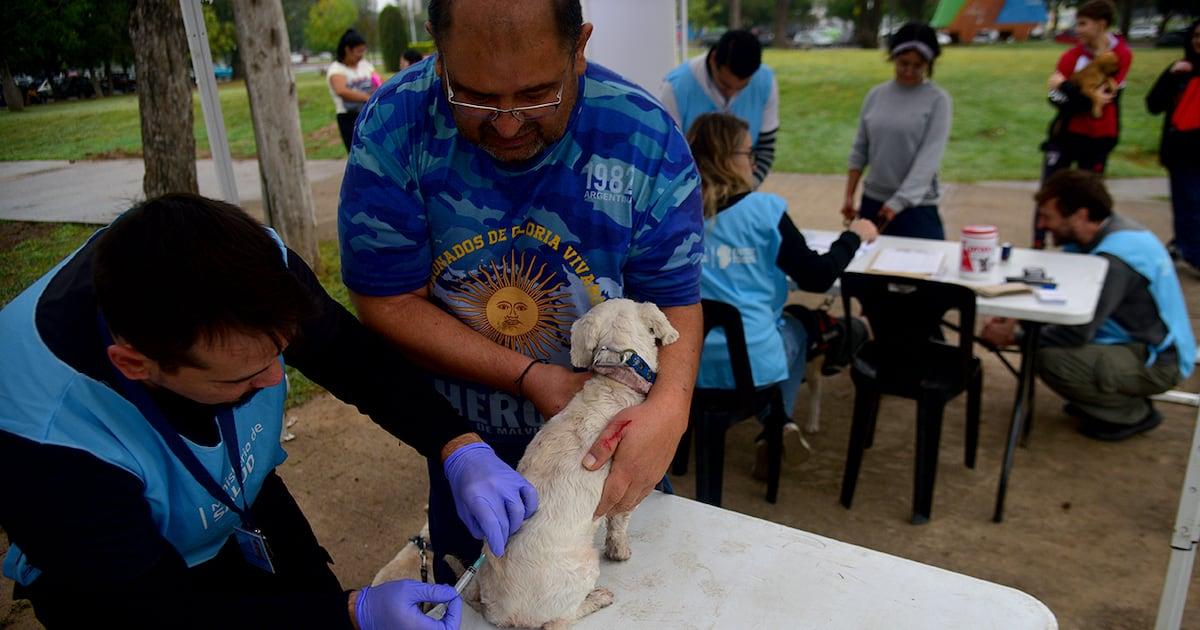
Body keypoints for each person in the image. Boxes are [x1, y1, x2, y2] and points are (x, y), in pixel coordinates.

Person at [0, 194, 539, 629]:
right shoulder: (42, 439)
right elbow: (156, 611)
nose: (276, 381)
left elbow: (349, 358)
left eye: (280, 352)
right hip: (114, 579)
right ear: (136, 365)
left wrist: (456, 444)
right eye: (241, 377)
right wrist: (352, 612)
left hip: (239, 501)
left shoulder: (251, 267)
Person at [337, 0, 704, 586]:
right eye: (475, 95)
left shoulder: (644, 136)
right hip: (467, 447)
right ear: (437, 45)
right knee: (485, 592)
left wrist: (670, 408)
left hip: (609, 443)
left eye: (537, 94)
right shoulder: (394, 125)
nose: (506, 123)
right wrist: (531, 377)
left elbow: (675, 298)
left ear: (578, 47)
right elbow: (385, 298)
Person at [687, 113, 877, 466]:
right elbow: (817, 277)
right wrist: (854, 236)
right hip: (752, 361)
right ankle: (777, 424)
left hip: (685, 364)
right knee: (799, 325)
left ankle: (778, 424)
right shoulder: (763, 211)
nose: (754, 162)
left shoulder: (674, 212)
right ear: (727, 158)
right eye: (748, 153)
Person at [980, 170, 1195, 441]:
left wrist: (1015, 338)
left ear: (1080, 215)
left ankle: (1129, 412)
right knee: (1049, 346)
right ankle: (1104, 393)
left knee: (1051, 358)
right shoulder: (1103, 234)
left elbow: (1077, 331)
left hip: (1159, 361)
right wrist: (1014, 314)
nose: (1043, 225)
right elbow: (1057, 286)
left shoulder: (1114, 261)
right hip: (1138, 344)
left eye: (1048, 216)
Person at [1034, 0, 1132, 249]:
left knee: (1089, 194)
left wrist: (1067, 88)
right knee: (1050, 189)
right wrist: (1083, 98)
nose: (1077, 29)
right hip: (1065, 133)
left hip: (1099, 136)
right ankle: (1038, 240)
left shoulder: (1121, 55)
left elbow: (1107, 98)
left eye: (1083, 24)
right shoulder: (1071, 56)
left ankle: (1084, 245)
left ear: (1101, 24)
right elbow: (1054, 99)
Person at [841, 22, 952, 241]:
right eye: (903, 63)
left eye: (918, 65)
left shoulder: (938, 100)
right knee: (859, 273)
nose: (909, 71)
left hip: (917, 207)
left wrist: (898, 202)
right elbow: (860, 150)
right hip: (874, 202)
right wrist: (849, 195)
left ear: (929, 64)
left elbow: (928, 159)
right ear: (892, 58)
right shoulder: (876, 95)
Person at [660, 29, 780, 187]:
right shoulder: (675, 88)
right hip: (691, 193)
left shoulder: (765, 81)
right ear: (714, 59)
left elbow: (765, 148)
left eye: (742, 88)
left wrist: (743, 192)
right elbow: (671, 156)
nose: (732, 94)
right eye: (724, 85)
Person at [1146, 18, 1200, 274]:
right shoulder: (1181, 71)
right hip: (1182, 152)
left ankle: (1189, 247)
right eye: (1196, 36)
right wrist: (1170, 76)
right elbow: (1153, 105)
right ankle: (1188, 249)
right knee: (1187, 202)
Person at [327, 29, 379, 152]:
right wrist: (367, 97)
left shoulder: (365, 65)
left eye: (363, 51)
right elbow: (341, 91)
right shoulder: (336, 69)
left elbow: (378, 80)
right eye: (358, 51)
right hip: (349, 118)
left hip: (370, 114)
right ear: (347, 50)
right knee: (359, 154)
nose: (361, 55)